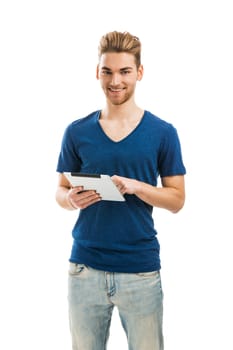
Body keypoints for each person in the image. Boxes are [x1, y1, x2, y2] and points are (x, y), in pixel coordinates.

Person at [55, 31, 186, 350]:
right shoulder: (76, 131)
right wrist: (70, 200)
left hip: (140, 271)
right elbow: (60, 189)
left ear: (139, 73)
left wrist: (138, 186)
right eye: (108, 71)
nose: (115, 80)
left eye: (125, 71)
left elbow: (177, 199)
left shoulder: (163, 133)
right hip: (85, 269)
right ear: (97, 72)